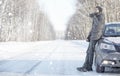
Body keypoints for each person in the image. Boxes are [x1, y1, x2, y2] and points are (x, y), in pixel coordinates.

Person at [77, 6, 105, 72]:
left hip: (96, 36)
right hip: (93, 36)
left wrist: (94, 17)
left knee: (90, 52)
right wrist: (88, 36)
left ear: (100, 10)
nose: (95, 10)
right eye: (95, 9)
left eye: (96, 9)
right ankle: (85, 66)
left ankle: (89, 67)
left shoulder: (101, 17)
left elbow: (98, 25)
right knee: (88, 52)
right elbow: (93, 28)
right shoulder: (97, 16)